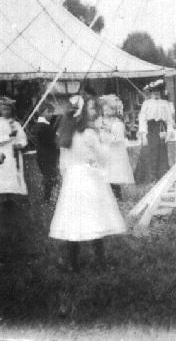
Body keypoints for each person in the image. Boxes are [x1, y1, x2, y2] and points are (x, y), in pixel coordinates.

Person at [49, 95, 126, 272]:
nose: (94, 112)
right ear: (83, 113)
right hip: (89, 179)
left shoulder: (65, 134)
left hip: (72, 180)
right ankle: (100, 263)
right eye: (91, 108)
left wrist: (68, 176)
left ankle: (72, 263)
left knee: (73, 220)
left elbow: (63, 164)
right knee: (95, 218)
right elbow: (103, 158)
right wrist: (104, 141)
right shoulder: (89, 133)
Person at [96, 94, 134, 201]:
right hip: (102, 150)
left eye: (109, 107)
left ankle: (117, 197)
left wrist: (107, 133)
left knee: (112, 175)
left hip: (113, 152)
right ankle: (104, 196)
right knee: (102, 175)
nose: (106, 109)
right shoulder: (99, 121)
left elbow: (119, 139)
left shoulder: (117, 123)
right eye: (105, 107)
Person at [136, 79, 174, 182]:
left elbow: (170, 120)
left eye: (158, 91)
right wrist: (143, 135)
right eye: (154, 92)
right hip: (150, 129)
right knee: (149, 152)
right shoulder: (146, 103)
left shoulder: (165, 103)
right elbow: (142, 120)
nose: (156, 93)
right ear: (150, 93)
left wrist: (169, 132)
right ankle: (149, 177)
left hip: (161, 128)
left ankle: (162, 177)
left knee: (162, 153)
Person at [31, 102, 60, 203]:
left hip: (45, 156)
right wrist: (57, 139)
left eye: (52, 112)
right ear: (42, 112)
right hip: (46, 157)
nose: (51, 114)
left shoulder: (43, 125)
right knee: (50, 176)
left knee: (50, 176)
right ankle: (47, 197)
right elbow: (49, 141)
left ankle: (48, 196)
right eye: (49, 112)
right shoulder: (43, 126)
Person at [0, 96, 28, 201]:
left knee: (13, 176)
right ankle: (3, 198)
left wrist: (20, 144)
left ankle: (10, 198)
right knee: (2, 176)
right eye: (4, 109)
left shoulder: (15, 124)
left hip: (13, 153)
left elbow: (22, 138)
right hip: (3, 154)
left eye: (8, 109)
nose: (6, 111)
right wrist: (9, 137)